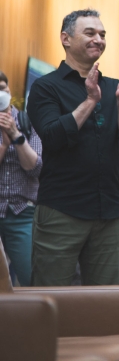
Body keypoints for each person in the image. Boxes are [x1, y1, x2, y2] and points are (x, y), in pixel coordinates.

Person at [26, 9, 119, 287]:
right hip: (62, 211)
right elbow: (53, 136)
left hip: (110, 212)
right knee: (52, 300)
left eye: (102, 35)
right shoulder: (45, 88)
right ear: (66, 39)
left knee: (105, 303)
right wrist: (90, 100)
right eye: (90, 33)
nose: (98, 39)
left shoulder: (114, 87)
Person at [0, 71, 43, 287]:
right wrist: (4, 146)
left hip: (23, 213)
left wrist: (16, 136)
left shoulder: (27, 121)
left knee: (31, 280)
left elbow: (34, 168)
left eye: (3, 89)